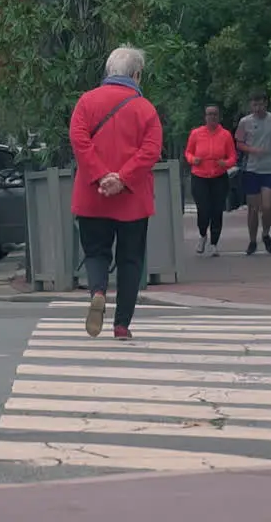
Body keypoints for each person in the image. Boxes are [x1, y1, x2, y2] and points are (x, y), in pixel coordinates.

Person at [68, 46, 163, 340]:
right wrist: (122, 179)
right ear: (136, 74)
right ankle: (122, 324)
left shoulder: (86, 102)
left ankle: (97, 291)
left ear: (109, 72)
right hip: (132, 200)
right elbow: (151, 150)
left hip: (92, 195)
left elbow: (79, 140)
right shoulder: (145, 109)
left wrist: (100, 174)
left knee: (96, 252)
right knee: (131, 259)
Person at [234, 91, 271, 255]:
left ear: (266, 104)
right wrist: (252, 150)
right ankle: (252, 240)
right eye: (254, 105)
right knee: (253, 208)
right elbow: (239, 143)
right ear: (251, 105)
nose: (258, 108)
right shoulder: (245, 122)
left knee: (268, 205)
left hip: (269, 168)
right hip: (252, 168)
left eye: (261, 104)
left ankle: (266, 233)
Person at [184, 105, 236, 256]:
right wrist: (194, 159)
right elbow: (188, 152)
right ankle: (202, 235)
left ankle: (214, 242)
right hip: (200, 176)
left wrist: (225, 163)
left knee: (217, 210)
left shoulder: (225, 135)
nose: (212, 117)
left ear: (219, 117)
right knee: (203, 209)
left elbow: (233, 157)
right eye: (209, 114)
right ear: (205, 117)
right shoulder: (196, 134)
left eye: (215, 114)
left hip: (219, 177)